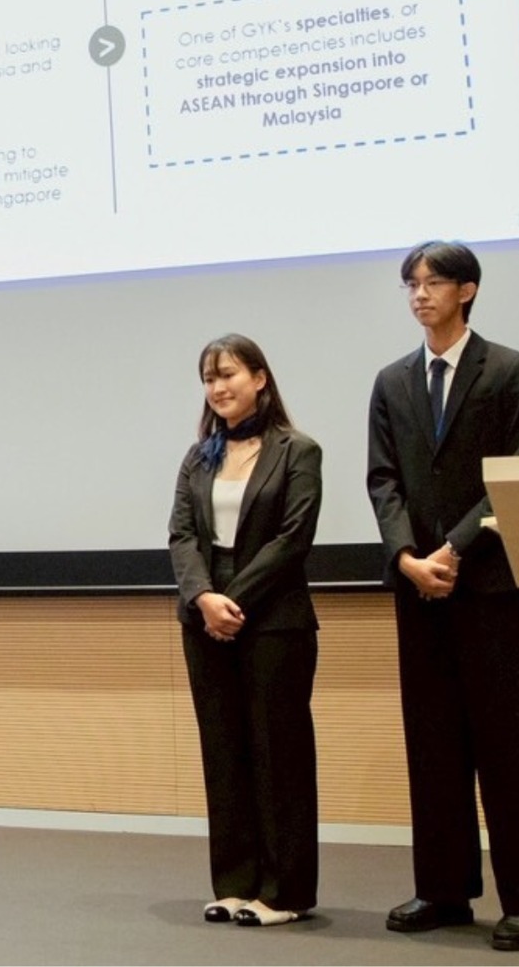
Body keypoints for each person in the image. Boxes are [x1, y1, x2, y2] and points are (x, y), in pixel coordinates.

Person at [368, 241, 519, 951]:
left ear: (468, 290)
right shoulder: (392, 381)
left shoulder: (510, 370)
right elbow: (383, 479)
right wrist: (406, 557)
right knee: (433, 744)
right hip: (419, 591)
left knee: (510, 747)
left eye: (433, 281)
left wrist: (451, 549)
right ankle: (444, 889)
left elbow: (518, 472)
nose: (419, 294)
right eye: (410, 284)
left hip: (488, 585)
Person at [168, 334, 322, 928]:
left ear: (259, 378)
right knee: (224, 752)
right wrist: (204, 597)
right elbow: (182, 535)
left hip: (274, 619)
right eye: (209, 378)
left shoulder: (297, 451)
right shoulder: (199, 456)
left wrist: (233, 600)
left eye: (228, 374)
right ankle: (234, 884)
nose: (217, 387)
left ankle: (283, 893)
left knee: (277, 754)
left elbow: (293, 537)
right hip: (205, 619)